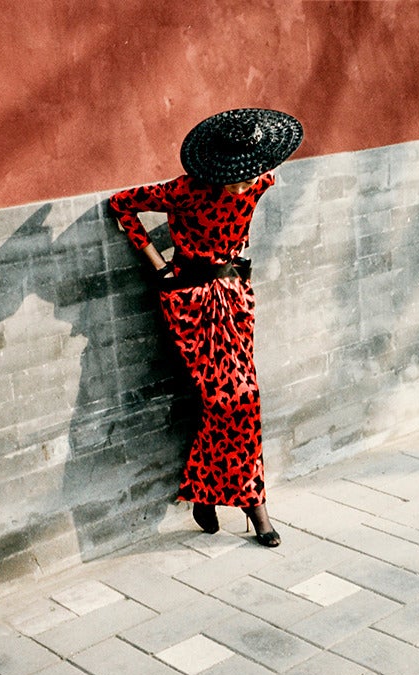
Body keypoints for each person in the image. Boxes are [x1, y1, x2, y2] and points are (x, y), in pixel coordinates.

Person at [108, 108, 303, 547]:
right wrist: (159, 266)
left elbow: (255, 188)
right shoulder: (185, 191)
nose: (244, 183)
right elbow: (122, 204)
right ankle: (256, 506)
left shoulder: (262, 181)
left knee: (237, 399)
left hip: (236, 298)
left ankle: (205, 492)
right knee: (234, 399)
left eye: (250, 173)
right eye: (234, 176)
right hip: (192, 302)